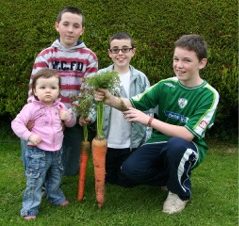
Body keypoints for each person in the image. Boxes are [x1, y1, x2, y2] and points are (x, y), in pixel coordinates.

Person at [94, 34, 220, 214]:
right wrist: (110, 99)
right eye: (176, 59)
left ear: (202, 63)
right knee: (129, 170)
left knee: (177, 145)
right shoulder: (165, 85)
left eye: (186, 60)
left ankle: (179, 193)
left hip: (188, 146)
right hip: (159, 141)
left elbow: (187, 134)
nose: (179, 65)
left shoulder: (209, 94)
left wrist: (149, 120)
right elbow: (132, 102)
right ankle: (172, 178)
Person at [21, 6, 98, 175]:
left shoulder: (89, 57)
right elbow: (34, 90)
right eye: (66, 24)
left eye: (76, 26)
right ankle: (37, 179)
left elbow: (87, 92)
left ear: (82, 30)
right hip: (44, 115)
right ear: (57, 26)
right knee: (32, 147)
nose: (70, 30)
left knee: (70, 170)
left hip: (71, 116)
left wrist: (68, 117)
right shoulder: (46, 55)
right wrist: (36, 116)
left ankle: (56, 166)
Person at [81, 31, 151, 186]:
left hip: (131, 141)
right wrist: (89, 117)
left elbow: (148, 108)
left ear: (133, 51)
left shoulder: (140, 78)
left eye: (125, 49)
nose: (120, 53)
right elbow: (92, 103)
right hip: (108, 141)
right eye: (115, 49)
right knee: (108, 179)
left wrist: (146, 138)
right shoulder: (101, 76)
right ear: (109, 53)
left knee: (128, 181)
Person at [11, 69, 77, 220]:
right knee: (36, 180)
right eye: (43, 87)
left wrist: (68, 117)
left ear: (59, 90)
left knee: (56, 176)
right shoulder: (31, 108)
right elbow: (16, 123)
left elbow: (72, 123)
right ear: (34, 90)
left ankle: (55, 196)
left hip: (57, 151)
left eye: (53, 88)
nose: (48, 91)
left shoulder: (60, 107)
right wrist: (30, 135)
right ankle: (30, 208)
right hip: (37, 152)